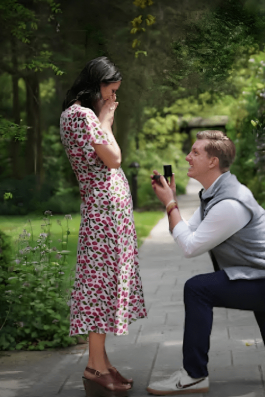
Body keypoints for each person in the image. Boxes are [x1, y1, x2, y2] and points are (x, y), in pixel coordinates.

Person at [147, 130, 265, 396]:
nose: (188, 157)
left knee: (197, 288)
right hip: (256, 275)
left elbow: (190, 247)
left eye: (195, 152)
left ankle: (194, 375)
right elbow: (186, 234)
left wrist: (170, 205)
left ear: (213, 161)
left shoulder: (230, 203)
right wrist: (172, 203)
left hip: (259, 277)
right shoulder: (215, 194)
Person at [60, 57, 147, 397]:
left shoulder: (76, 114)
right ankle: (95, 367)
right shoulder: (83, 116)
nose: (114, 100)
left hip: (105, 213)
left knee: (104, 286)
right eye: (112, 92)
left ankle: (103, 362)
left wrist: (104, 117)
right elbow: (114, 159)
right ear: (97, 84)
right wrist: (108, 121)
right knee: (99, 288)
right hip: (103, 215)